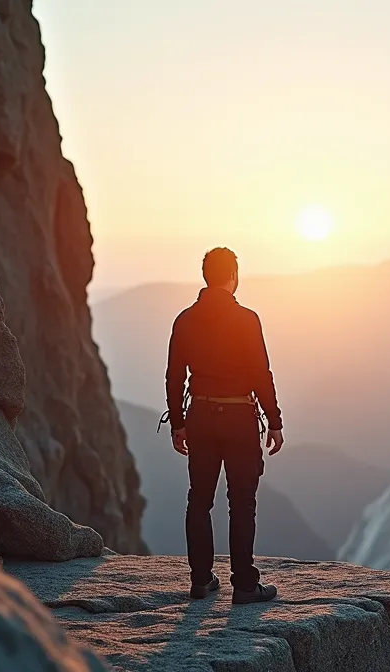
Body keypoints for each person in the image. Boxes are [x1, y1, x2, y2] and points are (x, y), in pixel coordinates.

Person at [165, 247, 285, 605]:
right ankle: (245, 586)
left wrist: (178, 422)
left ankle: (201, 580)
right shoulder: (247, 319)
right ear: (233, 276)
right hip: (238, 419)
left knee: (199, 500)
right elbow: (260, 373)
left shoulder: (184, 320)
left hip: (200, 416)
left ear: (206, 276)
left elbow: (174, 376)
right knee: (242, 504)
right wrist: (274, 421)